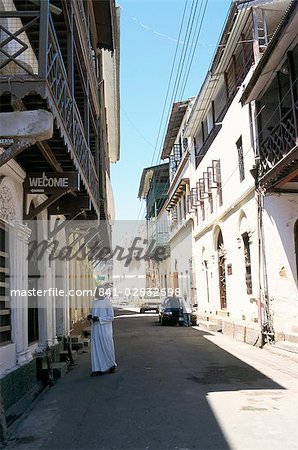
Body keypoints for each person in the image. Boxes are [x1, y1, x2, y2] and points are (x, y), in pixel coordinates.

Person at [88, 284, 117, 376]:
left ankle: (111, 365)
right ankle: (97, 368)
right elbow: (92, 313)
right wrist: (90, 317)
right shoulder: (94, 303)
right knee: (96, 348)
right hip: (96, 329)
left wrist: (100, 319)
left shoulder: (108, 302)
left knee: (107, 346)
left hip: (105, 329)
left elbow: (111, 317)